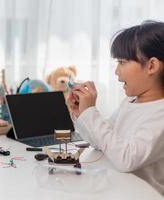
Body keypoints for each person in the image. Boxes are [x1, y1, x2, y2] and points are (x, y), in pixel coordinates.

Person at [67, 20, 164, 194]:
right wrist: (81, 113)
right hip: (118, 190)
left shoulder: (160, 113)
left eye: (122, 62)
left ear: (151, 66)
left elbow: (126, 159)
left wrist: (90, 113)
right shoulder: (130, 102)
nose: (116, 71)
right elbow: (101, 142)